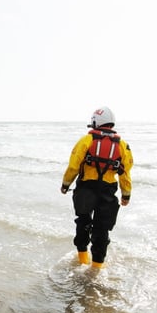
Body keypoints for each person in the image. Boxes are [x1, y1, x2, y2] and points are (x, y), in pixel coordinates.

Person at [60, 107, 133, 269]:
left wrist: (66, 184)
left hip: (86, 188)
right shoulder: (122, 145)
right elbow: (125, 172)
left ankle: (82, 259)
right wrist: (126, 194)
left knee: (83, 222)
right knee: (102, 229)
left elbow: (73, 165)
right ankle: (97, 267)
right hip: (108, 191)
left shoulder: (86, 140)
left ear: (95, 122)